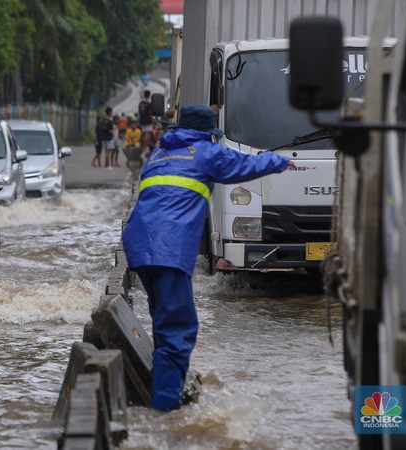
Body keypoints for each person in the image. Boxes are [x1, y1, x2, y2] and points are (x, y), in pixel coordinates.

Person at [121, 104, 295, 411]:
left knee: (164, 323)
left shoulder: (160, 154)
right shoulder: (206, 151)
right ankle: (165, 415)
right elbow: (246, 165)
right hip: (168, 248)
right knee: (179, 329)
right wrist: (282, 162)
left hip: (139, 247)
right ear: (207, 134)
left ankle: (166, 391)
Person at [137, 90, 154, 157]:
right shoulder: (149, 104)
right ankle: (146, 148)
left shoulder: (141, 103)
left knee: (144, 135)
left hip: (142, 120)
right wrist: (153, 121)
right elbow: (150, 114)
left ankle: (144, 149)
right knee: (148, 135)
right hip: (148, 121)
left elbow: (139, 112)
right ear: (149, 96)